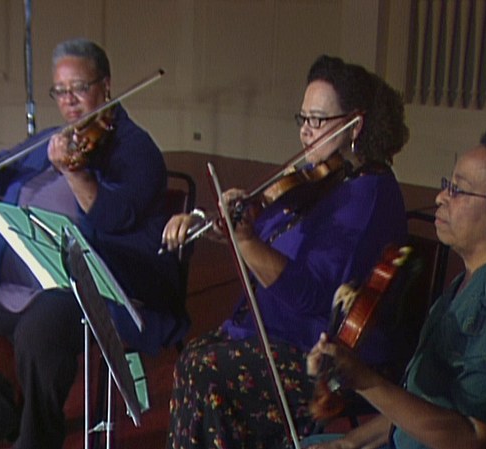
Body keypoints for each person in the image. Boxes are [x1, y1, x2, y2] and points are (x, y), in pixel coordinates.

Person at [0, 38, 189, 449]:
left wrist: (74, 172)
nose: (69, 101)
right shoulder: (56, 137)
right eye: (60, 91)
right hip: (15, 275)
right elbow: (6, 165)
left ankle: (38, 437)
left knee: (43, 326)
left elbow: (114, 218)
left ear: (105, 86)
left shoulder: (136, 150)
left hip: (84, 286)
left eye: (79, 88)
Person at [163, 54, 413, 449]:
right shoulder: (323, 182)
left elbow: (312, 295)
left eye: (318, 120)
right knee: (198, 357)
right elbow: (258, 228)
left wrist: (248, 242)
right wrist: (205, 222)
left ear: (355, 125)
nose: (306, 132)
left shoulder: (367, 195)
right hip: (272, 334)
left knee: (204, 369)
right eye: (303, 119)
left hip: (321, 353)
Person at [304, 124, 486, 449]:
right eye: (447, 185)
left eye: (459, 190)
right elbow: (424, 409)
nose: (441, 197)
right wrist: (347, 443)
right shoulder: (474, 278)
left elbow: (471, 436)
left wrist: (365, 380)